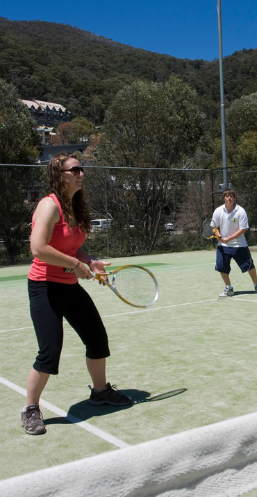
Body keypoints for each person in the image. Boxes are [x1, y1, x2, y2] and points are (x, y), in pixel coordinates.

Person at [22, 153, 131, 436]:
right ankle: (30, 409)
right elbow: (38, 248)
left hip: (69, 286)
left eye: (82, 169)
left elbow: (73, 247)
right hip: (44, 286)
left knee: (97, 339)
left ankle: (100, 392)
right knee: (50, 351)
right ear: (61, 175)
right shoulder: (49, 205)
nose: (82, 173)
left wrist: (90, 260)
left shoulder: (74, 206)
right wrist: (76, 265)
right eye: (76, 170)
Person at [211, 189, 257, 297]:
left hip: (239, 245)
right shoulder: (218, 211)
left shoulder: (241, 211)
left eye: (231, 196)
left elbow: (243, 229)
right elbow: (214, 227)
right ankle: (229, 288)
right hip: (223, 246)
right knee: (222, 267)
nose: (229, 198)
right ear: (224, 198)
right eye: (227, 196)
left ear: (234, 198)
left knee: (249, 266)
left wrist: (229, 239)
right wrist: (218, 235)